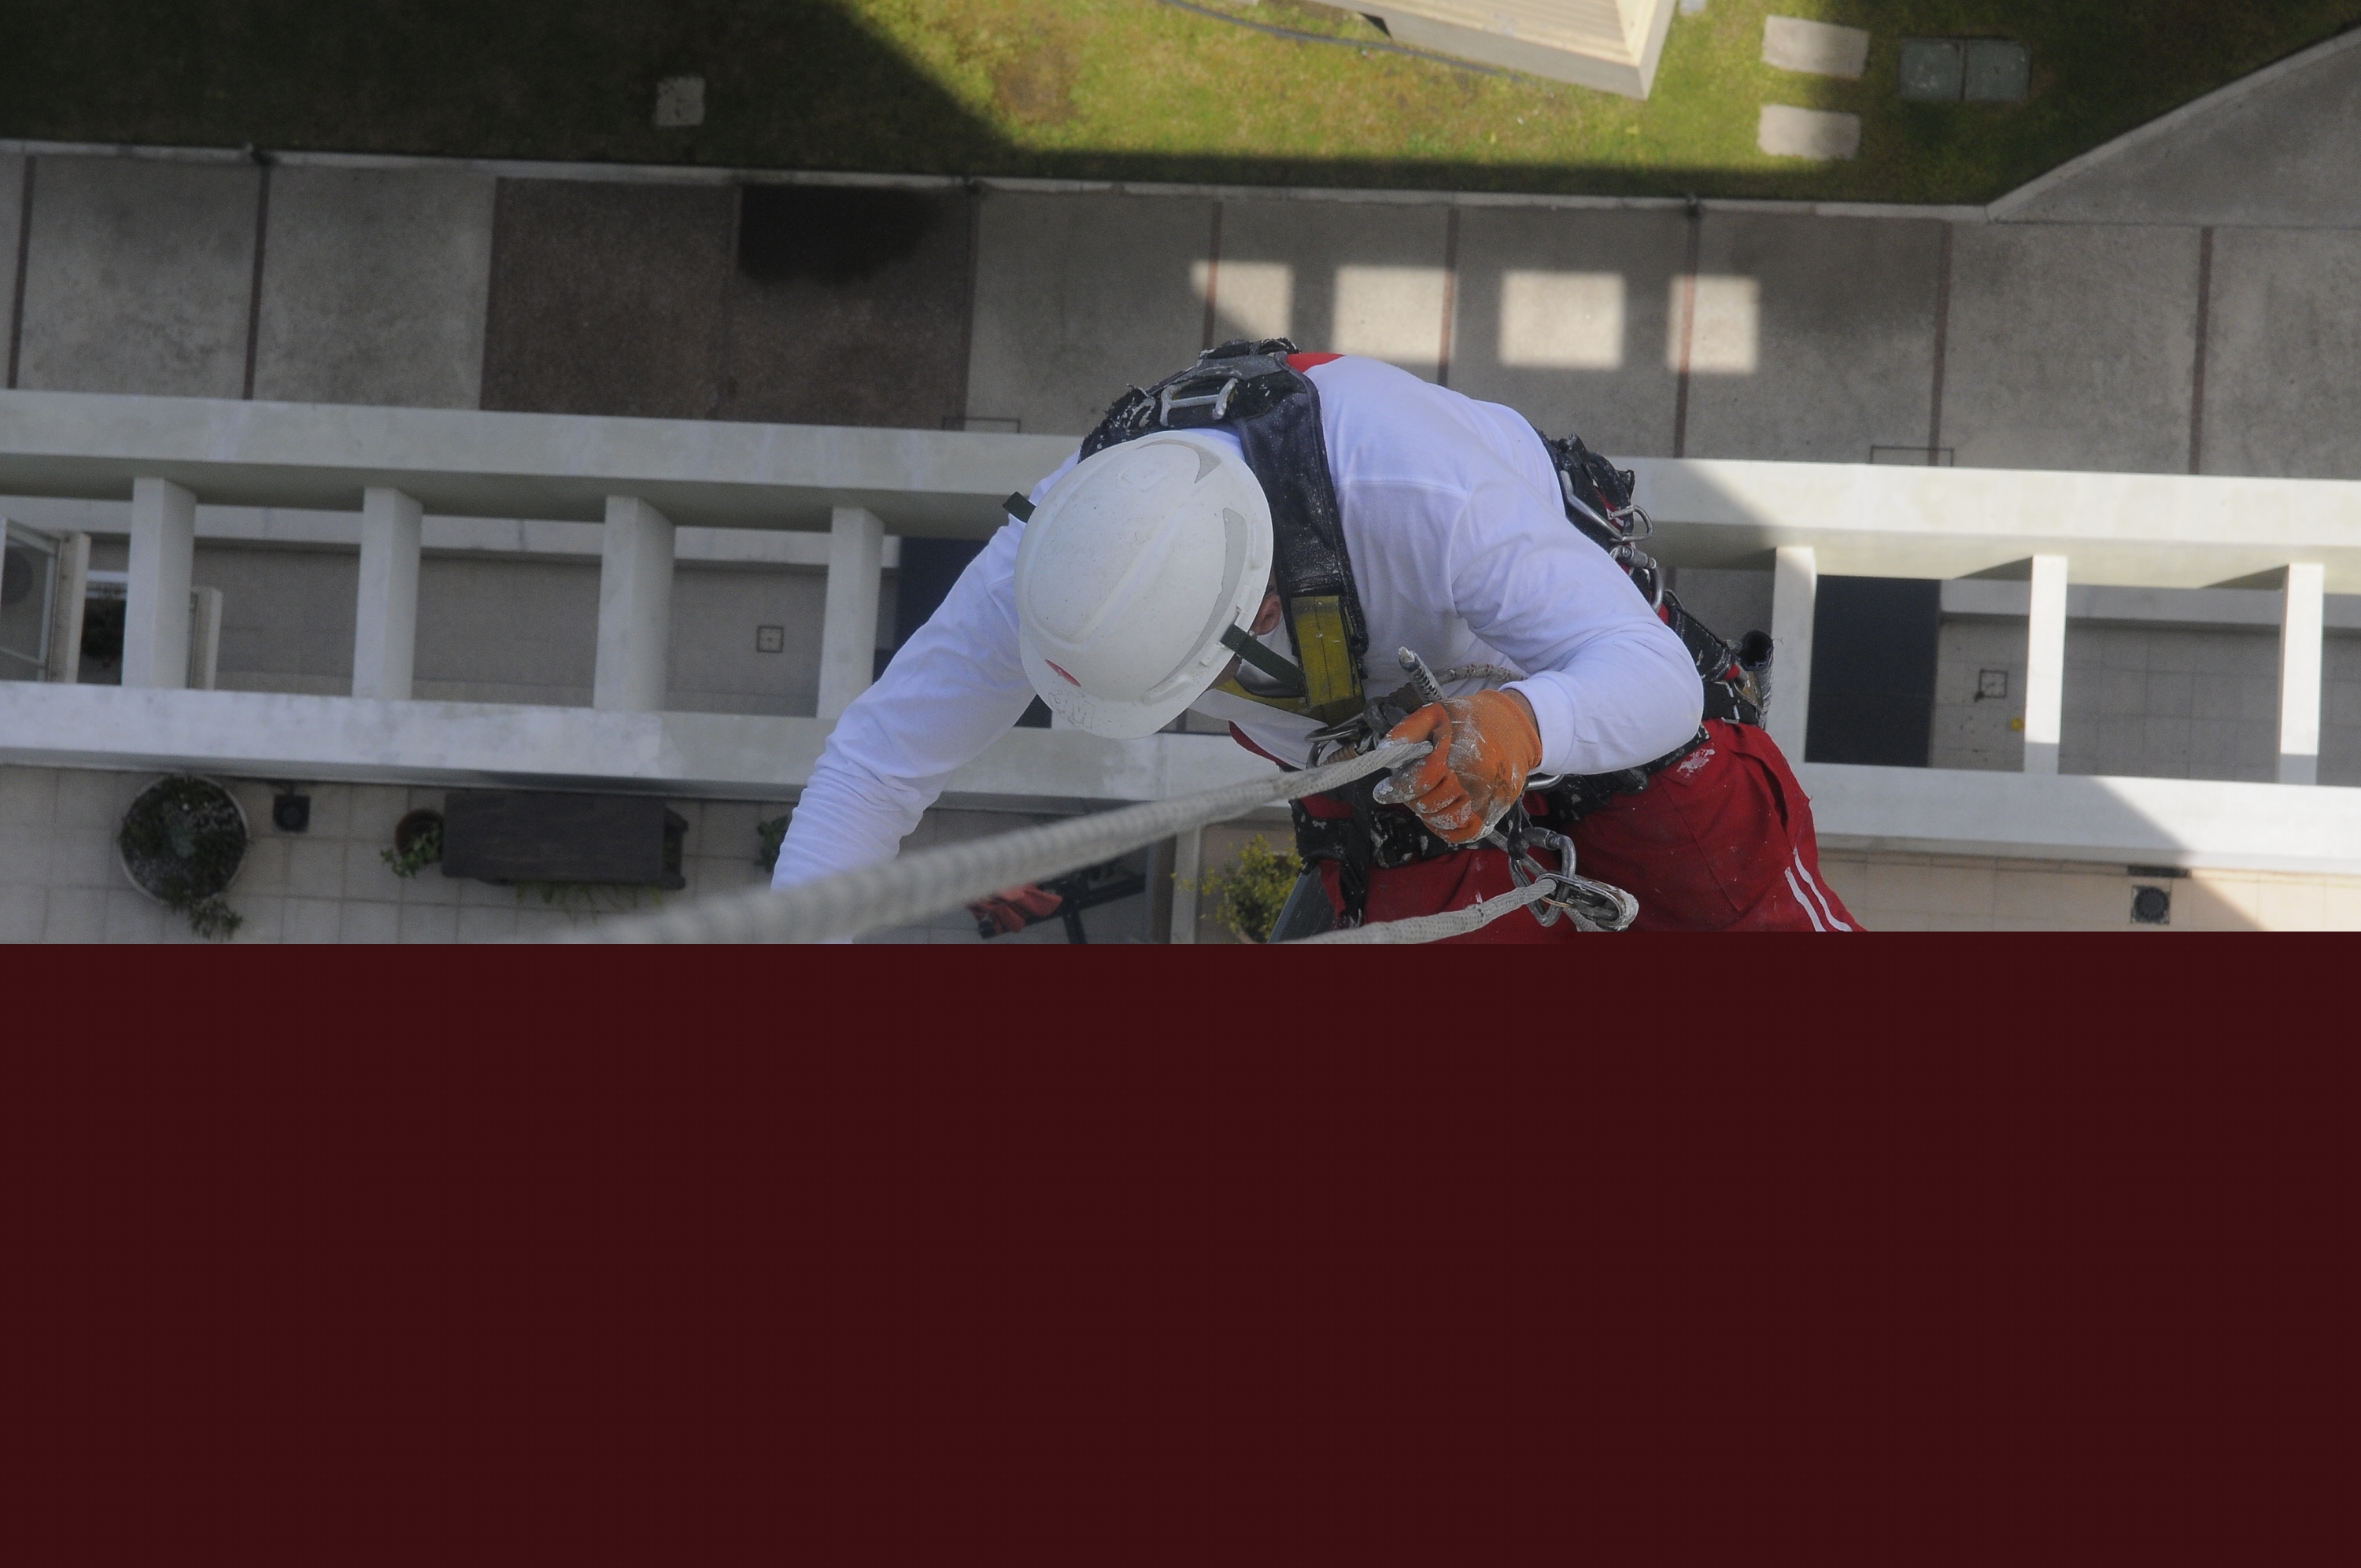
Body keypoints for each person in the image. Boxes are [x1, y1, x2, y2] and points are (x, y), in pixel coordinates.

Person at [773, 339, 1857, 937]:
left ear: (1255, 582)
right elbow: (876, 765)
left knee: (1739, 898)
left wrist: (1526, 726)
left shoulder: (1408, 487)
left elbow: (1650, 679)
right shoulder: (1058, 569)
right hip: (1383, 785)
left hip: (1568, 687)